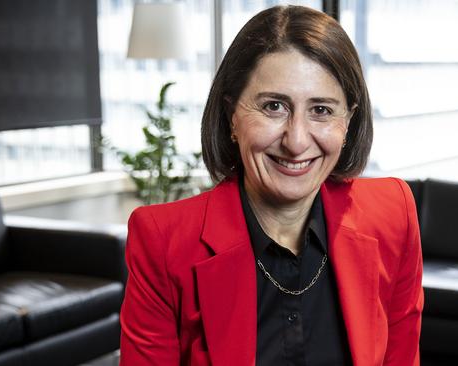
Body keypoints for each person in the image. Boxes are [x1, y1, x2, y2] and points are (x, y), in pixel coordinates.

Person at [119, 5, 423, 366]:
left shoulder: (393, 213)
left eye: (321, 110)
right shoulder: (164, 241)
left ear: (349, 122)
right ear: (232, 115)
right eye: (274, 106)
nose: (296, 141)